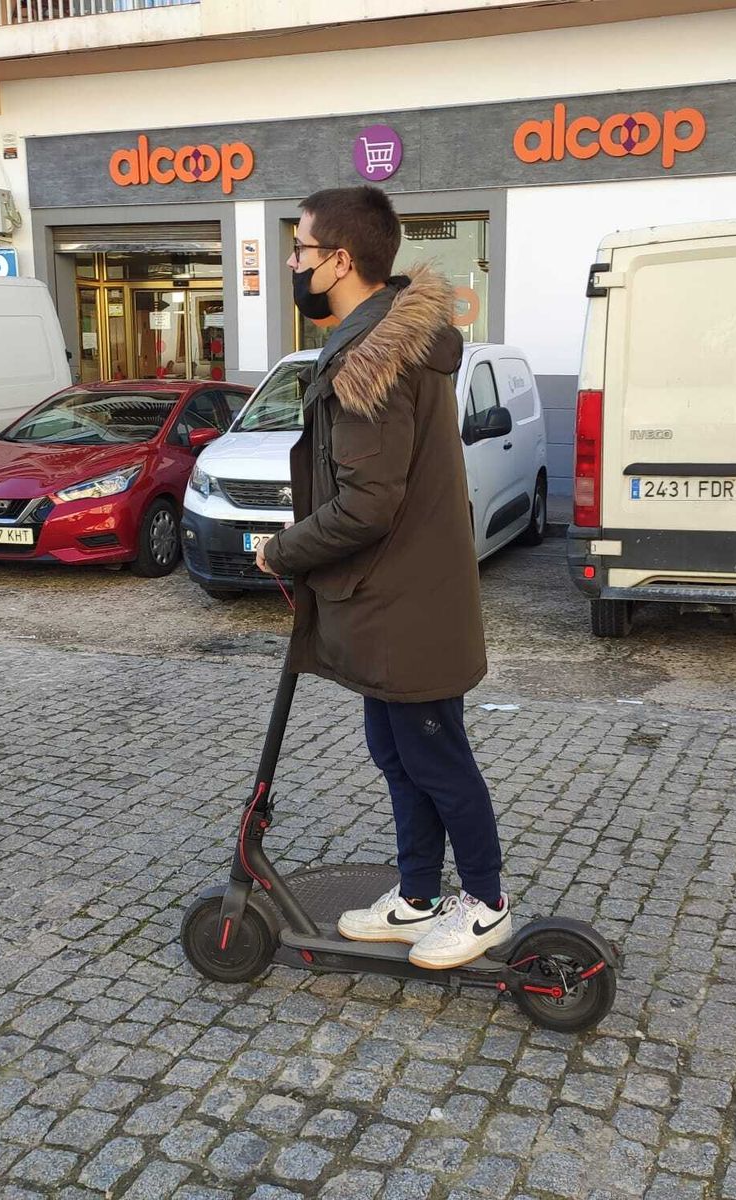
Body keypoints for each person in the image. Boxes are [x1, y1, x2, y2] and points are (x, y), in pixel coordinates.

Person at [255, 185, 510, 970]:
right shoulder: (384, 343)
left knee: (434, 755)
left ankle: (485, 904)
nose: (292, 263)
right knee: (396, 750)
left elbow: (368, 504)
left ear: (339, 261)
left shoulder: (374, 361)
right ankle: (419, 895)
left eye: (299, 250)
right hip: (395, 597)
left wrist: (283, 550)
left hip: (408, 606)